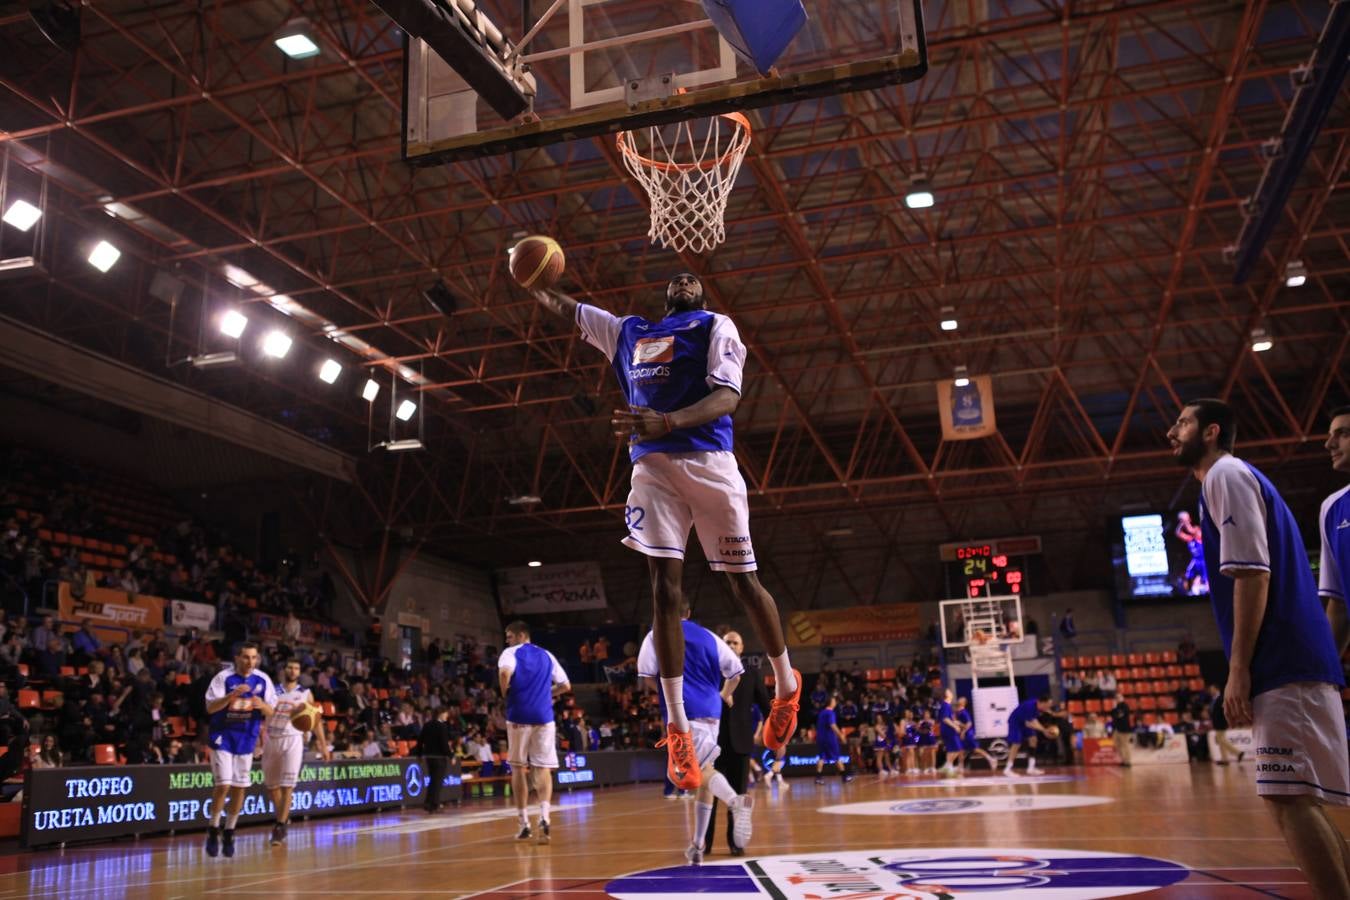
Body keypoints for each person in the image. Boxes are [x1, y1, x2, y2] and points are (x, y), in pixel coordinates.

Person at [530, 275, 802, 791]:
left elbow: (727, 397)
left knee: (743, 582)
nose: (684, 277)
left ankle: (786, 685)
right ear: (665, 295)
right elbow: (564, 306)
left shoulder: (715, 325)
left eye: (693, 278)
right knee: (663, 592)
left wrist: (670, 421)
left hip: (709, 462)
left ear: (698, 296)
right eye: (676, 277)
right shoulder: (629, 332)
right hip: (653, 469)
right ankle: (676, 728)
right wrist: (532, 278)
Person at [1168, 397, 1349, 896]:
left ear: (1211, 432)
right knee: (1296, 802)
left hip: (1283, 661)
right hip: (1297, 660)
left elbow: (1252, 572)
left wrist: (1239, 669)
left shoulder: (1225, 474)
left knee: (1288, 802)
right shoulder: (1228, 480)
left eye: (1182, 423)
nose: (1171, 432)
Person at [638, 607, 752, 865]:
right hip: (712, 711)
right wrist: (721, 696)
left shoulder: (657, 634)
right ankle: (698, 845)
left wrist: (667, 695)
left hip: (683, 711)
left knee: (691, 775)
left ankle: (735, 801)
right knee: (703, 772)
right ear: (688, 612)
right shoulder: (709, 636)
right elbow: (736, 673)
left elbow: (646, 677)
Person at [498, 620, 571, 844]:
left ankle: (524, 824)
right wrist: (547, 694)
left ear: (521, 635)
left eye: (509, 636)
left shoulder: (511, 653)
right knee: (542, 768)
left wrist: (505, 694)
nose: (507, 640)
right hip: (544, 717)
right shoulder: (547, 655)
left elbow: (504, 673)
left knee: (518, 767)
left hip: (519, 715)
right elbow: (566, 686)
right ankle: (545, 816)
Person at [203, 642, 276, 858]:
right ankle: (213, 828)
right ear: (237, 658)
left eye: (253, 658)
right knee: (224, 784)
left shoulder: (263, 679)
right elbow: (210, 708)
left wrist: (261, 705)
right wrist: (230, 697)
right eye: (246, 657)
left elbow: (271, 710)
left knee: (239, 787)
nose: (250, 662)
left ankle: (230, 831)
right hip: (223, 736)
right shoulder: (223, 678)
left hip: (246, 739)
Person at [703, 629, 769, 856]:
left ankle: (735, 843)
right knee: (708, 793)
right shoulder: (710, 672)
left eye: (735, 642)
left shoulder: (751, 674)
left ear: (741, 648)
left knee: (738, 795)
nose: (731, 645)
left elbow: (766, 706)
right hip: (712, 744)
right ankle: (705, 843)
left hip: (741, 744)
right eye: (727, 642)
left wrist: (776, 735)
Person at [262, 658, 330, 846]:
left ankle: (280, 825)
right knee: (272, 788)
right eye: (290, 667)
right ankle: (282, 818)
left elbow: (316, 721)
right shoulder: (272, 691)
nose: (293, 671)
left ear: (299, 672)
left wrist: (323, 745)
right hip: (271, 739)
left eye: (297, 668)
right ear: (284, 670)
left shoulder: (305, 694)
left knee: (287, 786)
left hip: (293, 740)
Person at [1318, 405, 1350, 652]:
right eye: (1331, 435)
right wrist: (1326, 673)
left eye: (1343, 434)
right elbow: (1338, 604)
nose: (1329, 444)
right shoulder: (1332, 509)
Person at [1003, 694, 1053, 776]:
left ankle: (1031, 767)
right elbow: (1029, 723)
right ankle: (1008, 769)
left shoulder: (1038, 708)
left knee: (1033, 739)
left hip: (1024, 722)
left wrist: (1044, 730)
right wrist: (1044, 730)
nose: (1047, 708)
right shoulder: (1029, 706)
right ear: (1042, 703)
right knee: (1016, 743)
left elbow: (1034, 720)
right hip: (1015, 722)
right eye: (1047, 706)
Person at [417, 707, 453, 812]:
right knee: (437, 782)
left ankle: (428, 803)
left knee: (433, 781)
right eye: (446, 713)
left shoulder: (427, 725)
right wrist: (451, 756)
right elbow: (444, 744)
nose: (447, 716)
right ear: (441, 714)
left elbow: (420, 740)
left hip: (429, 757)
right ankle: (434, 805)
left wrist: (419, 754)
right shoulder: (442, 726)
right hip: (439, 758)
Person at [813, 695, 852, 784]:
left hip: (820, 738)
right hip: (829, 738)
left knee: (821, 757)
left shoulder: (822, 712)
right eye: (834, 701)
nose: (835, 703)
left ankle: (818, 777)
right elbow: (832, 725)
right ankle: (844, 776)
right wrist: (840, 735)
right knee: (836, 757)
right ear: (830, 703)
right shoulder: (830, 713)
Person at [1206, 683, 1244, 765]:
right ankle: (1225, 759)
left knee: (1221, 740)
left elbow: (1224, 711)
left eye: (1212, 689)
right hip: (1217, 723)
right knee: (1220, 740)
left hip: (1220, 723)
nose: (1211, 691)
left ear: (1216, 689)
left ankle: (1238, 752)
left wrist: (1225, 722)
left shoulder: (1220, 698)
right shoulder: (1214, 699)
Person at [1175, 511, 1209, 595]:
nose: (1197, 531)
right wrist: (1182, 523)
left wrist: (1186, 522)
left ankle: (1208, 592)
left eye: (1198, 531)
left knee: (1206, 579)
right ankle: (1186, 592)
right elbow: (1178, 533)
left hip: (1203, 561)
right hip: (1195, 560)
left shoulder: (1200, 538)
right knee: (1187, 577)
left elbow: (1191, 530)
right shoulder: (1190, 539)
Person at [1110, 695, 1133, 767]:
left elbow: (1118, 715)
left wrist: (1115, 711)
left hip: (1124, 730)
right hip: (1116, 730)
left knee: (1125, 746)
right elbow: (1112, 715)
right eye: (1116, 698)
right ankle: (1123, 760)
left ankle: (1128, 761)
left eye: (1119, 697)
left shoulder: (1125, 706)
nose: (1117, 699)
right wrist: (1114, 708)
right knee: (1118, 746)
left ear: (1122, 698)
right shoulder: (1116, 707)